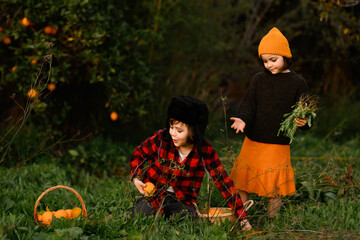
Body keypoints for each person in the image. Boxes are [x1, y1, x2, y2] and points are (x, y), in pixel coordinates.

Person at [130, 95, 252, 230]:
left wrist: (242, 217)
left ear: (195, 131)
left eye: (179, 130)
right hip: (154, 195)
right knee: (139, 215)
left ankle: (169, 219)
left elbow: (223, 182)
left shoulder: (205, 150)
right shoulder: (162, 138)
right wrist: (136, 177)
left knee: (191, 221)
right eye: (171, 127)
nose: (173, 133)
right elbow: (138, 154)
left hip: (181, 201)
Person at [229, 27, 310, 218]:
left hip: (278, 141)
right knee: (243, 179)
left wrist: (304, 122)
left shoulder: (297, 82)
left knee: (275, 185)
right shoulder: (259, 79)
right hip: (254, 139)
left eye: (273, 60)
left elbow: (305, 109)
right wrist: (242, 119)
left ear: (286, 57)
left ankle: (272, 219)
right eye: (265, 61)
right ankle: (242, 214)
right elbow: (249, 103)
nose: (268, 65)